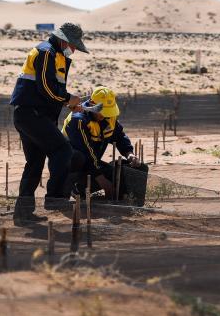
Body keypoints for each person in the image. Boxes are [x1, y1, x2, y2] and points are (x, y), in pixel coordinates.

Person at [8, 22, 88, 225]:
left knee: (34, 163)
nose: (74, 50)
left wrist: (69, 103)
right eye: (74, 46)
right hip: (31, 115)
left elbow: (52, 93)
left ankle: (23, 214)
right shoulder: (46, 52)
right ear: (64, 40)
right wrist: (68, 98)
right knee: (63, 150)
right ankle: (55, 198)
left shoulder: (58, 55)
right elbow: (46, 87)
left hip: (35, 115)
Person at [61, 86, 142, 198]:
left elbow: (119, 136)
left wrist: (129, 153)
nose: (105, 116)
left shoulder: (109, 118)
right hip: (70, 165)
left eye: (108, 112)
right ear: (92, 106)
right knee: (78, 157)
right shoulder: (78, 120)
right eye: (102, 112)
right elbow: (86, 153)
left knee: (114, 176)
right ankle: (73, 187)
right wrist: (103, 182)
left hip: (93, 163)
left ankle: (81, 189)